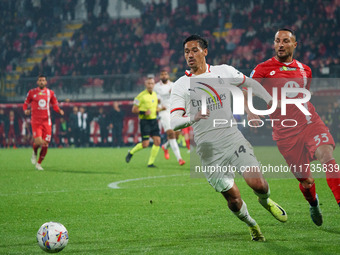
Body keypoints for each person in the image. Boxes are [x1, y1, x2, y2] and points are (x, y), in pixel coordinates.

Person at [170, 34, 287, 241]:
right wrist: (193, 117)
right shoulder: (181, 85)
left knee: (258, 184)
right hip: (208, 149)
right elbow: (174, 122)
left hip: (232, 138)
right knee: (233, 199)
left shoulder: (224, 71)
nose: (190, 55)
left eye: (195, 50)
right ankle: (252, 225)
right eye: (187, 51)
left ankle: (266, 200)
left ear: (205, 52)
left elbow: (249, 83)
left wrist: (270, 102)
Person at [247, 28, 340, 226]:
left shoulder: (306, 70)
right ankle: (313, 204)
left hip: (309, 123)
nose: (280, 44)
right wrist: (250, 110)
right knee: (306, 181)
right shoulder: (263, 68)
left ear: (294, 45)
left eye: (285, 41)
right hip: (285, 135)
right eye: (277, 41)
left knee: (327, 156)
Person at [23, 74, 64, 170]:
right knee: (38, 141)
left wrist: (59, 110)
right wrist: (25, 110)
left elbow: (55, 105)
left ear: (46, 82)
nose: (42, 82)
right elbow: (25, 104)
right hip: (36, 121)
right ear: (37, 82)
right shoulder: (32, 92)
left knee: (45, 144)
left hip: (47, 122)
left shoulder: (51, 93)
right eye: (40, 80)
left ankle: (38, 163)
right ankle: (34, 152)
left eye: (43, 80)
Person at [125, 76, 161, 167]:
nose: (150, 85)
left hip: (154, 121)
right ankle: (131, 152)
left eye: (152, 83)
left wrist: (160, 109)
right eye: (148, 83)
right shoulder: (140, 96)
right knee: (145, 144)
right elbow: (134, 109)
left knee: (157, 141)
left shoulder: (155, 95)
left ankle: (150, 163)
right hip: (145, 122)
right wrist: (144, 112)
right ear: (145, 84)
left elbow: (154, 108)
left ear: (154, 84)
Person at [154, 69, 185, 166]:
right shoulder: (156, 87)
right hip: (163, 112)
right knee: (171, 134)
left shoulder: (173, 85)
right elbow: (155, 100)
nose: (164, 76)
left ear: (168, 76)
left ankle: (165, 146)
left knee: (176, 135)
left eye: (165, 74)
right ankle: (179, 159)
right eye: (162, 74)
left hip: (173, 111)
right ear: (160, 76)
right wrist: (158, 107)